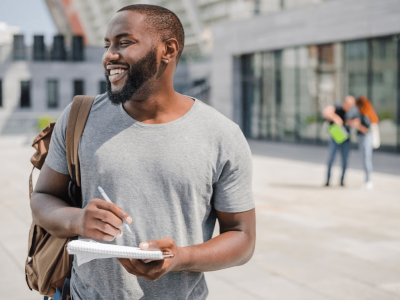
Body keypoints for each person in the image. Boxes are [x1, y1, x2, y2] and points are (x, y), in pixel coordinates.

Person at [30, 5, 255, 300]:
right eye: (107, 44)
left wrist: (180, 257)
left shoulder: (222, 135)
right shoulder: (78, 117)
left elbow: (242, 237)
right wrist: (78, 219)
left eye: (124, 42)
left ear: (168, 50)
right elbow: (42, 197)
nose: (109, 55)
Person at [323, 96, 360, 186]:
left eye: (351, 105)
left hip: (345, 139)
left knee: (345, 161)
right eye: (347, 104)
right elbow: (326, 112)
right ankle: (328, 180)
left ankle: (342, 180)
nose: (349, 106)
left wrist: (351, 123)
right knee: (331, 159)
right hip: (335, 138)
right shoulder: (336, 106)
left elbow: (357, 122)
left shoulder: (353, 111)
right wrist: (335, 118)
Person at [355, 96, 379, 189]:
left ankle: (368, 180)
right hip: (366, 138)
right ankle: (367, 180)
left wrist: (357, 125)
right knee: (366, 158)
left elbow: (366, 130)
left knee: (366, 159)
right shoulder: (370, 113)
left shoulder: (364, 115)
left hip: (365, 138)